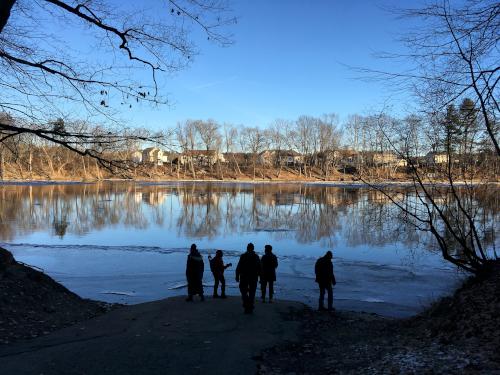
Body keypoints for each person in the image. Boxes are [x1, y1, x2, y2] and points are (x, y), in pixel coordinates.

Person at [235, 243, 261, 314]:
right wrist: (261, 277)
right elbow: (259, 268)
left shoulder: (243, 256)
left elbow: (239, 266)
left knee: (244, 292)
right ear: (253, 248)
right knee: (252, 293)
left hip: (244, 277)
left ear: (247, 248)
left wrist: (237, 275)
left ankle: (247, 306)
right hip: (253, 277)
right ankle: (250, 306)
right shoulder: (256, 257)